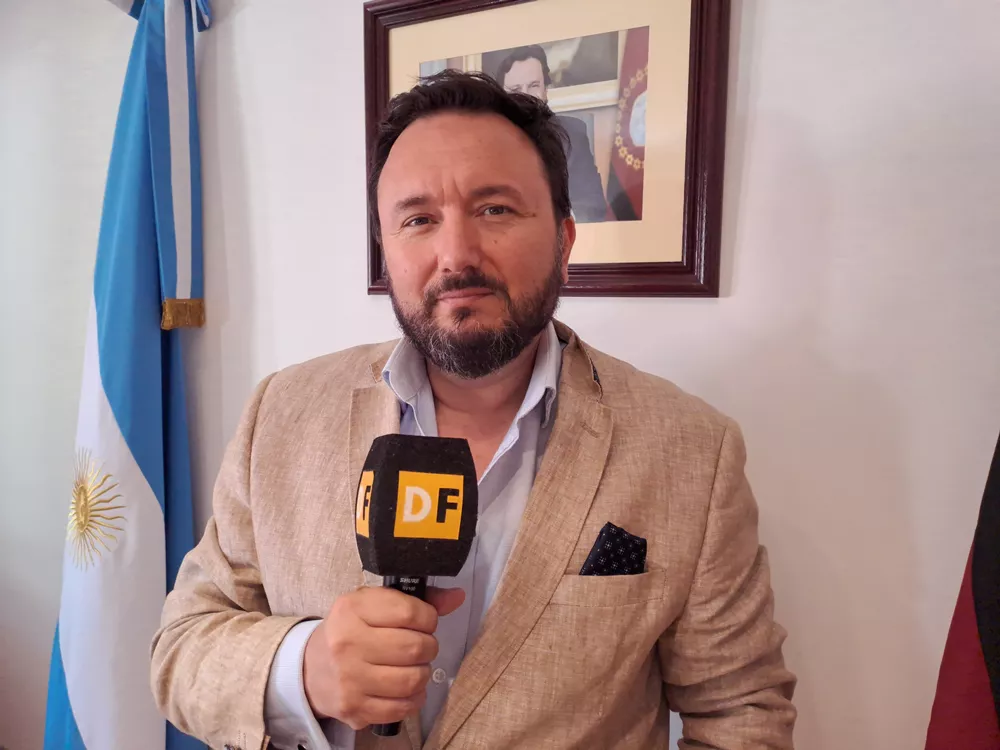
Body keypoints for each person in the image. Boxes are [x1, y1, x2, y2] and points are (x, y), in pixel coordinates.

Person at [150, 71, 796, 750]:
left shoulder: (692, 449)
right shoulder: (281, 413)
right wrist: (302, 668)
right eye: (418, 219)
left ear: (564, 242)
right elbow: (182, 648)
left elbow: (740, 711)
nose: (456, 255)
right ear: (387, 251)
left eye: (495, 210)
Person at [495, 45, 609, 223]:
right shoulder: (486, 141)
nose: (526, 95)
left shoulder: (573, 134)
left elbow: (591, 208)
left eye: (533, 86)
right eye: (515, 89)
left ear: (545, 90)